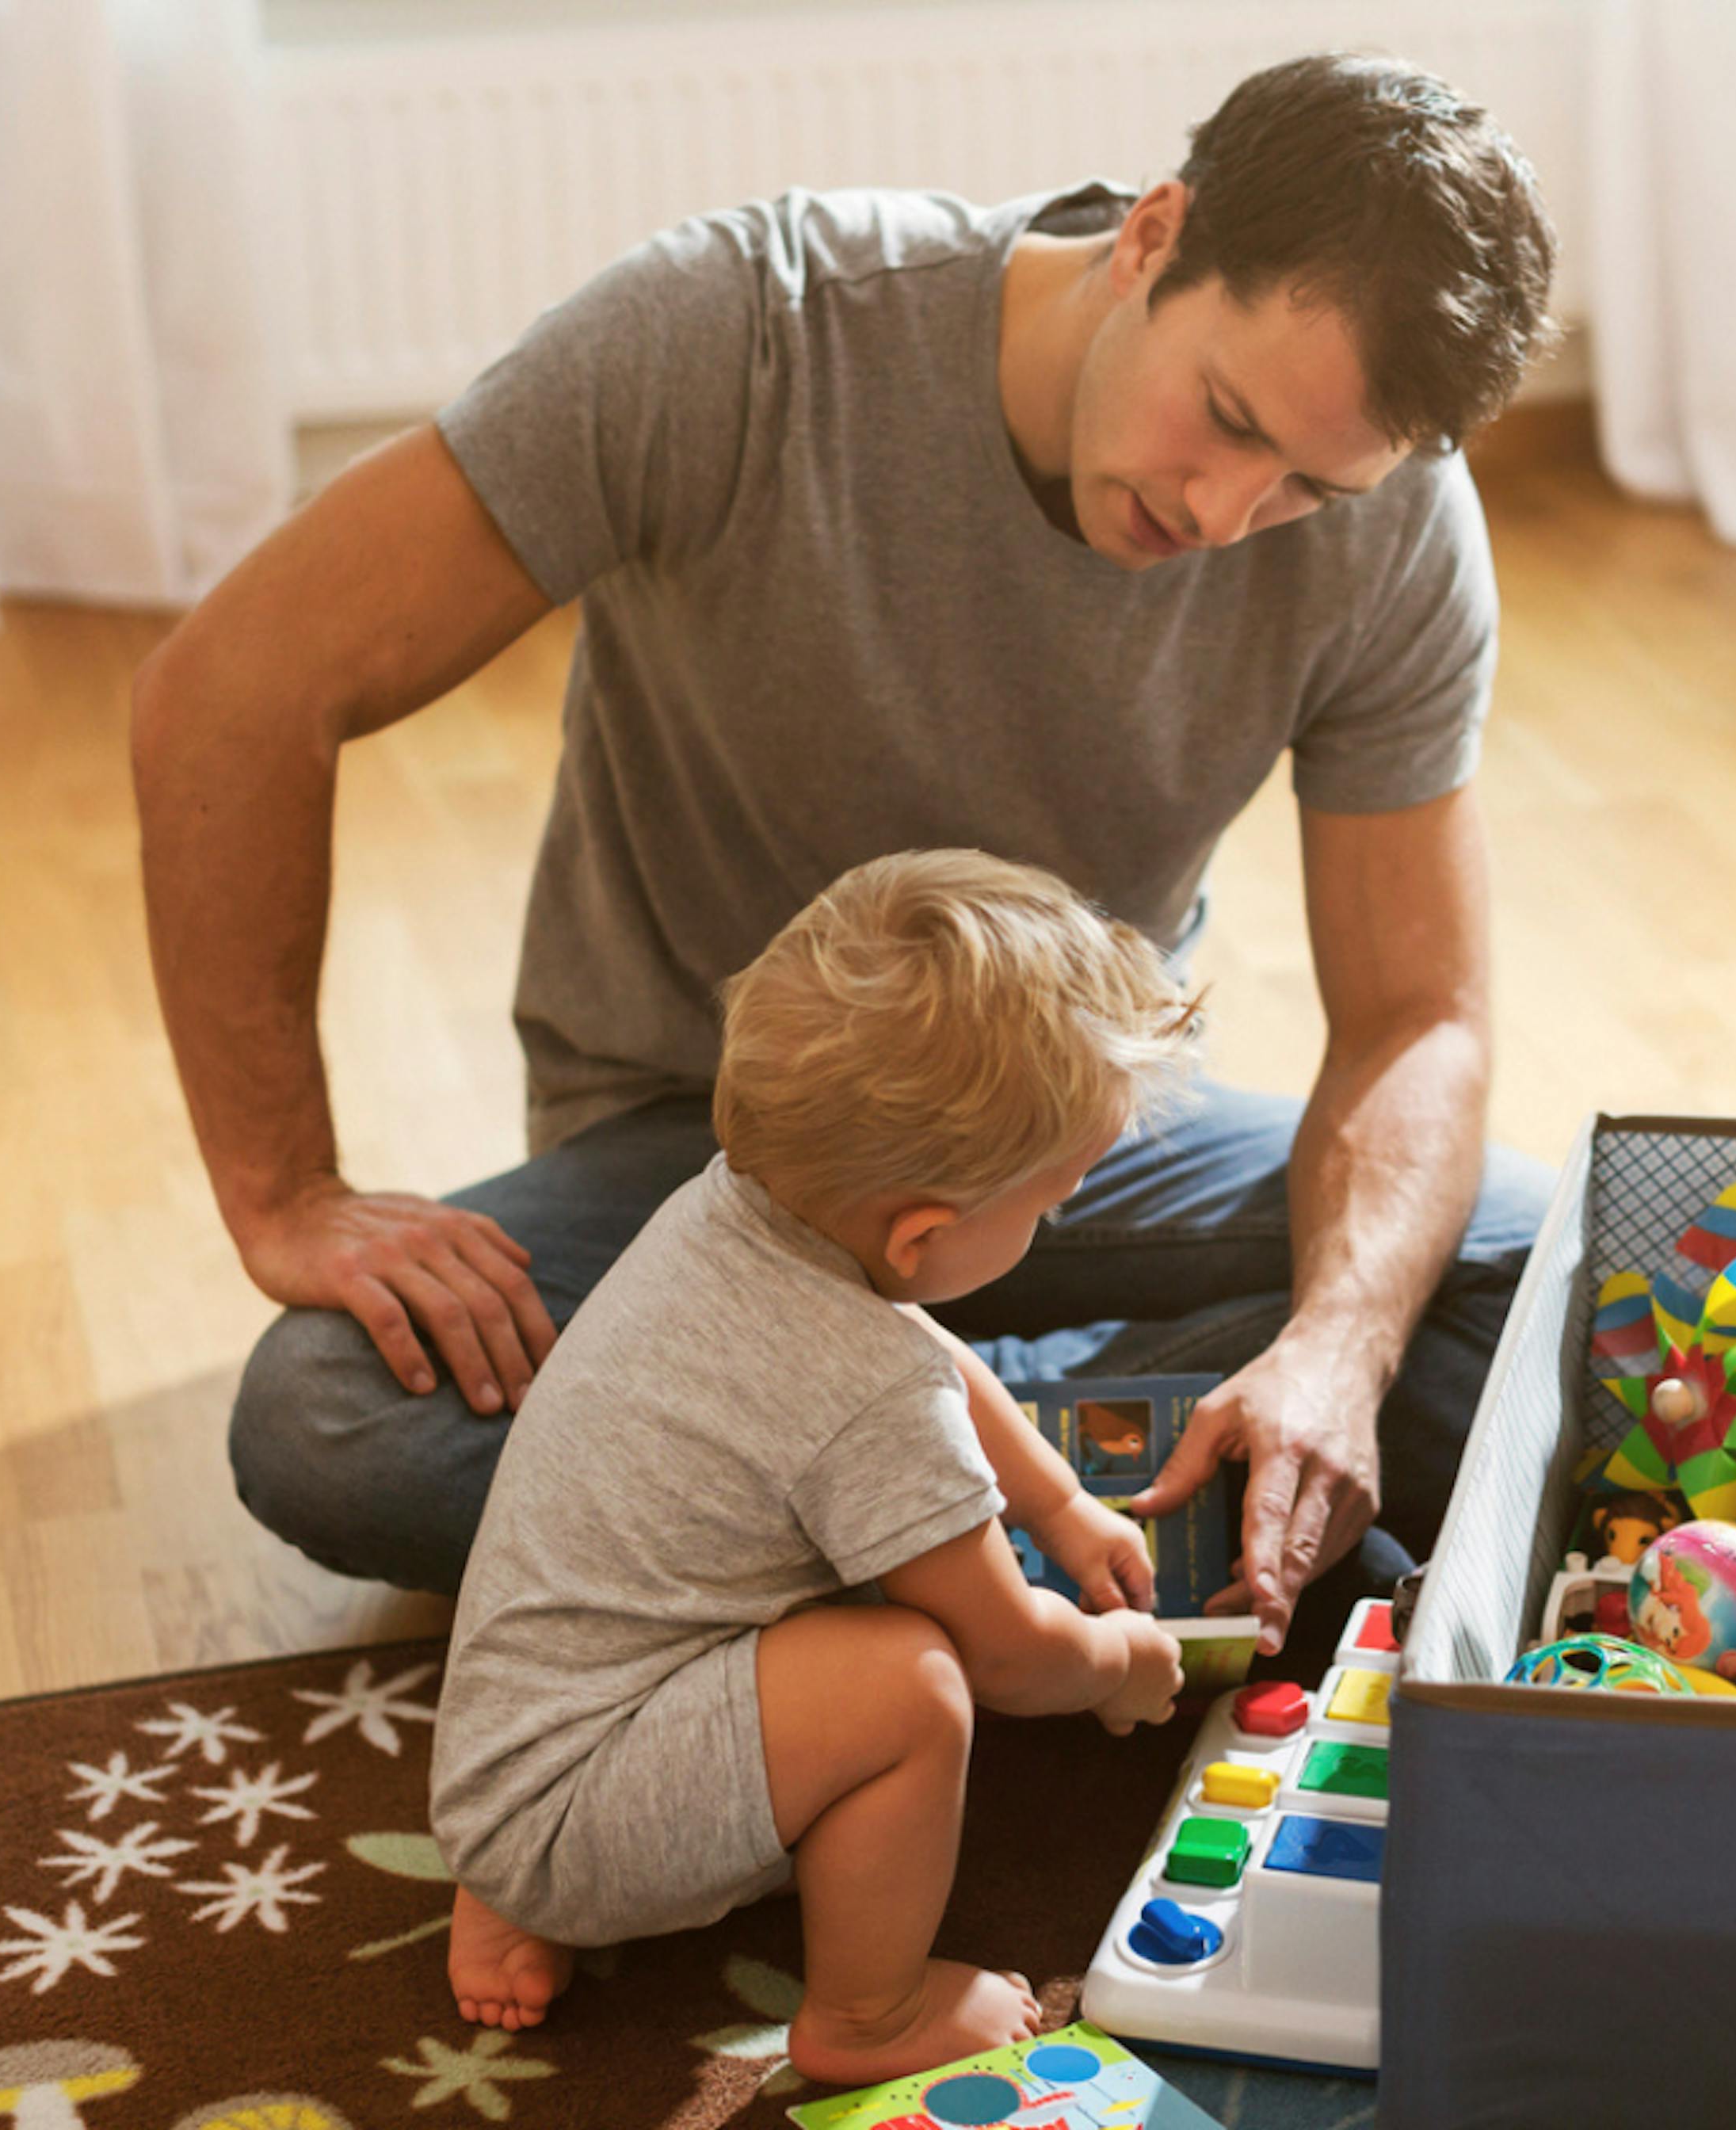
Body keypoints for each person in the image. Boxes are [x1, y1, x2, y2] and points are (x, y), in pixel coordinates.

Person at [130, 52, 1562, 1667]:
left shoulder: (1397, 524)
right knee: (328, 1420)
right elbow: (232, 692)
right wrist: (288, 1194)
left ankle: (923, 1505)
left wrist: (1337, 1355)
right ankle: (1045, 1498)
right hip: (719, 1160)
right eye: (1228, 419)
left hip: (1072, 1145)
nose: (1231, 512)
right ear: (1155, 235)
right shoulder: (746, 334)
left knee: (1544, 1272)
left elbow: (1418, 1019)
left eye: (1308, 485)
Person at [432, 851, 1193, 2079]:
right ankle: (866, 2015)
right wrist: (1117, 1664)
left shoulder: (737, 1210)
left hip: (511, 1754)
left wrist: (1056, 1505)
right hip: (575, 1806)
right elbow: (1007, 1655)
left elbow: (918, 1344)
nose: (1056, 1217)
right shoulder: (867, 1397)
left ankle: (522, 1884)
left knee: (829, 1617)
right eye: (1050, 1203)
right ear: (923, 1232)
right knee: (911, 1684)